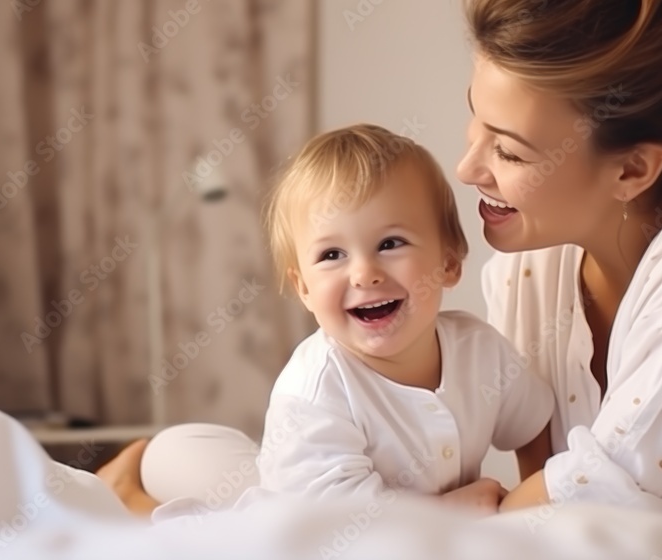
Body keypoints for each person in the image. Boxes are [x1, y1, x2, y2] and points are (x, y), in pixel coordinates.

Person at [99, 0, 662, 533]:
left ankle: (149, 496)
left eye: (511, 151)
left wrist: (453, 522)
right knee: (250, 482)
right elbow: (551, 499)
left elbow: (600, 493)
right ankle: (146, 492)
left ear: (634, 169)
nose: (466, 169)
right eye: (474, 123)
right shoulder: (532, 272)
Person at [102, 124, 555, 521]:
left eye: (391, 242)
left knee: (253, 479)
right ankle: (127, 498)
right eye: (331, 255)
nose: (363, 273)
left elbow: (532, 423)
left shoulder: (480, 350)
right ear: (302, 288)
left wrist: (534, 516)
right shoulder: (317, 387)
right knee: (239, 530)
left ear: (450, 262)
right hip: (305, 520)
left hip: (300, 475)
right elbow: (335, 528)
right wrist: (449, 511)